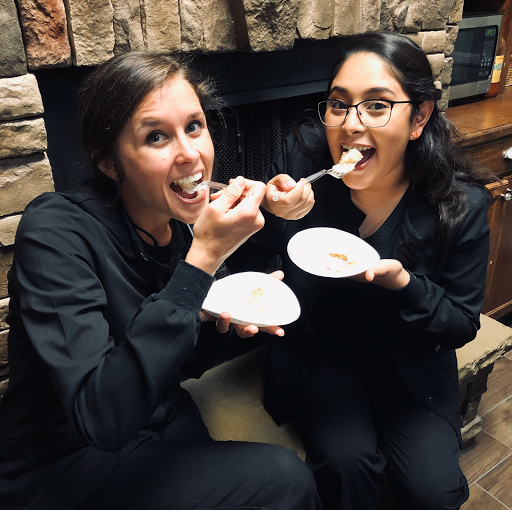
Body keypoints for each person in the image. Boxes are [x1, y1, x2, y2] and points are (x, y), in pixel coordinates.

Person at [0, 52, 321, 510]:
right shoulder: (54, 232)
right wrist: (202, 262)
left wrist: (219, 320)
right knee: (285, 479)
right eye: (156, 136)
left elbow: (179, 363)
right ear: (109, 163)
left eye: (194, 126)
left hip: (159, 419)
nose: (190, 154)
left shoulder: (179, 227)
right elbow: (101, 416)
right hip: (68, 461)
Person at [227, 31, 493, 510]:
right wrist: (268, 217)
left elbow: (460, 324)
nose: (351, 125)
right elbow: (248, 267)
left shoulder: (460, 205)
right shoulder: (303, 159)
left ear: (419, 117)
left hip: (409, 362)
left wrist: (405, 285)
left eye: (376, 106)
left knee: (433, 492)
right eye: (339, 104)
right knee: (345, 464)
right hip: (320, 350)